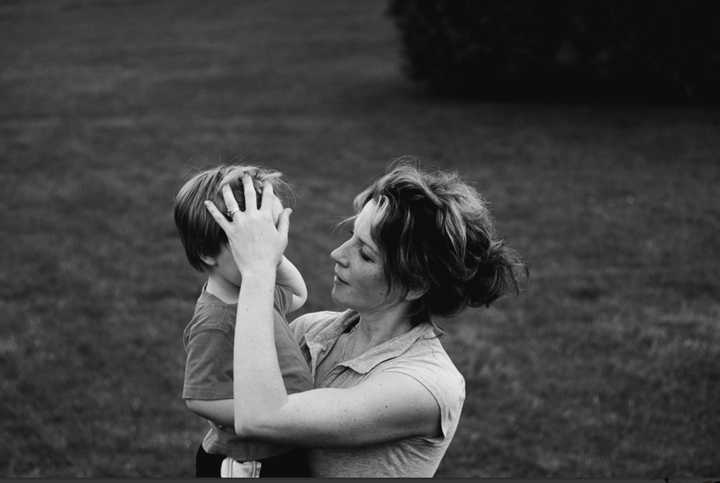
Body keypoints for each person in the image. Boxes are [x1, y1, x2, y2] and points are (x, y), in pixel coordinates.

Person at [203, 157, 527, 477]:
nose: (338, 254)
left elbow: (259, 417)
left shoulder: (425, 387)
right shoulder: (308, 331)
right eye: (351, 235)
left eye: (365, 253)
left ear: (414, 285)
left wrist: (258, 270)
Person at [174, 165, 313, 477]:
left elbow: (297, 293)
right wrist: (267, 415)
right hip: (252, 463)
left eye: (273, 232)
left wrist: (269, 256)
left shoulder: (256, 292)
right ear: (207, 252)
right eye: (255, 239)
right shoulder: (216, 319)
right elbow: (200, 398)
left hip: (285, 442)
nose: (269, 246)